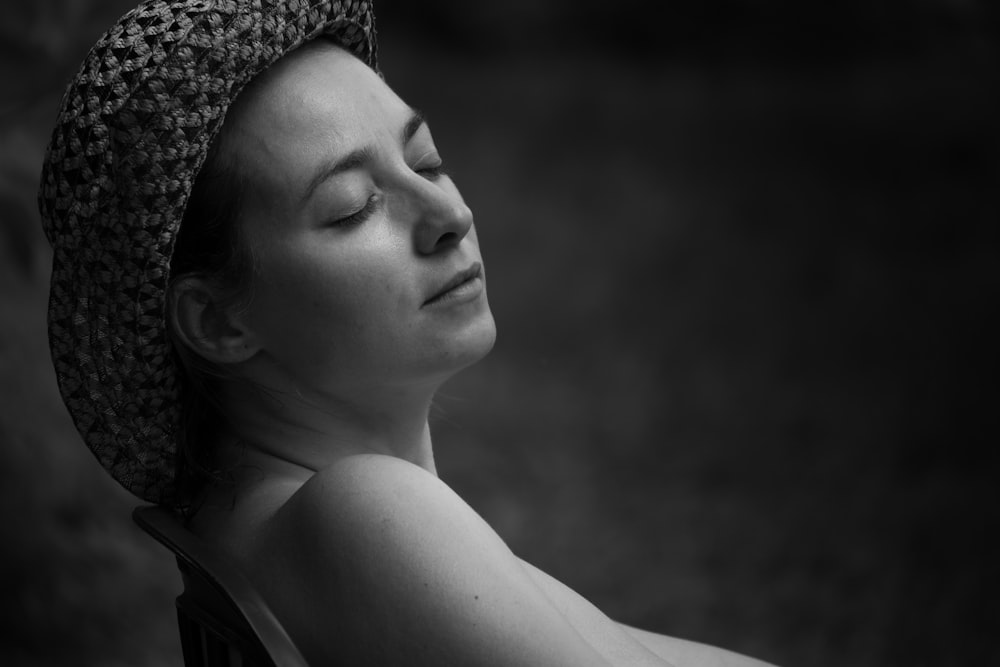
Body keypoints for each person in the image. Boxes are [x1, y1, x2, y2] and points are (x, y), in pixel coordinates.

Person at [39, 1, 776, 665]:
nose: (449, 214)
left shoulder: (270, 523)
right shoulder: (364, 510)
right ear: (220, 320)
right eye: (353, 206)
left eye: (426, 160)